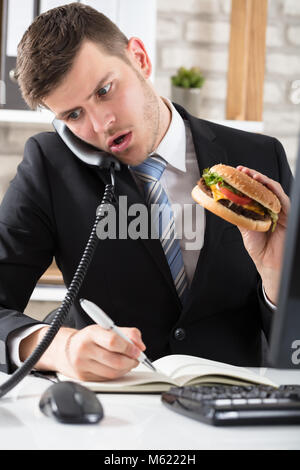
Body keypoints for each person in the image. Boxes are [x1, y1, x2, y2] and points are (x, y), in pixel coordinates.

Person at [0, 3, 292, 381]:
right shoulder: (49, 166)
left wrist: (278, 281)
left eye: (105, 90)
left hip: (233, 420)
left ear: (139, 58)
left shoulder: (259, 157)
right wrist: (58, 347)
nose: (101, 124)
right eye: (73, 115)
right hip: (114, 422)